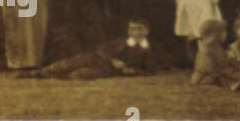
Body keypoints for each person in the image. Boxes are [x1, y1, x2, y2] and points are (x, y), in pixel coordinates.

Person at [19, 17, 161, 80]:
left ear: (147, 31)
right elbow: (101, 49)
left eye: (139, 29)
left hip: (107, 70)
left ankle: (49, 77)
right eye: (132, 29)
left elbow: (150, 70)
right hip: (96, 59)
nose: (135, 33)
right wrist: (112, 59)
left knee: (79, 75)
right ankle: (36, 74)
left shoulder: (147, 50)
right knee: (66, 64)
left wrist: (132, 71)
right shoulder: (121, 41)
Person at [189, 20, 237, 87]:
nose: (225, 34)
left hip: (216, 75)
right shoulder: (206, 50)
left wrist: (229, 58)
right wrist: (227, 71)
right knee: (233, 80)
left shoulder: (216, 46)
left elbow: (222, 60)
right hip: (206, 79)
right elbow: (210, 69)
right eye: (223, 32)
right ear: (214, 35)